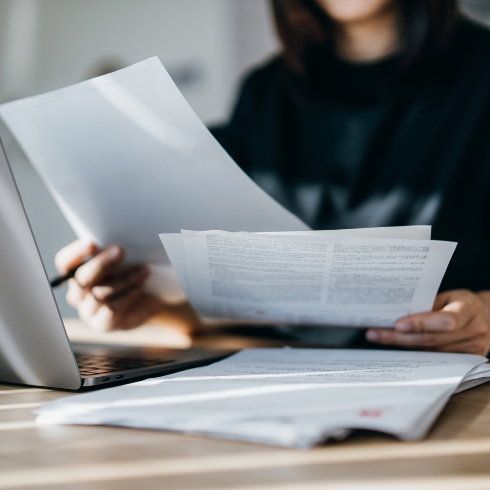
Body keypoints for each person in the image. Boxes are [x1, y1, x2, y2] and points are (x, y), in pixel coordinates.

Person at [55, 0, 490, 356]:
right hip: (267, 380)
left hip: (440, 387)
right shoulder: (264, 93)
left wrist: (485, 316)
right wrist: (146, 307)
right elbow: (243, 312)